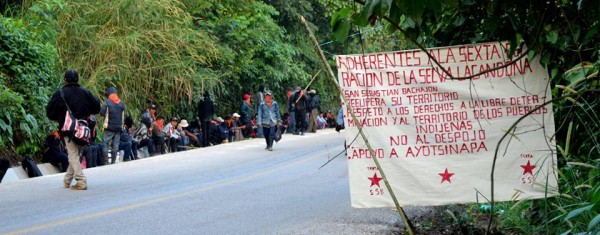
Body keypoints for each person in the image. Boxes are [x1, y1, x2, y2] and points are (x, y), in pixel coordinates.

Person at [46, 69, 101, 190]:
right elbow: (97, 108)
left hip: (68, 128)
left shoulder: (60, 93)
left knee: (73, 155)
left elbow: (50, 112)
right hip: (83, 129)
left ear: (65, 79)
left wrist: (60, 118)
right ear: (78, 79)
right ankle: (66, 181)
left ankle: (81, 181)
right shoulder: (85, 92)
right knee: (75, 155)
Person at [100, 87, 125, 165]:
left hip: (109, 128)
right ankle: (113, 162)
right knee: (115, 145)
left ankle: (106, 162)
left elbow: (101, 113)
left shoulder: (107, 102)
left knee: (105, 143)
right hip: (118, 128)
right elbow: (123, 116)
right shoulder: (121, 103)